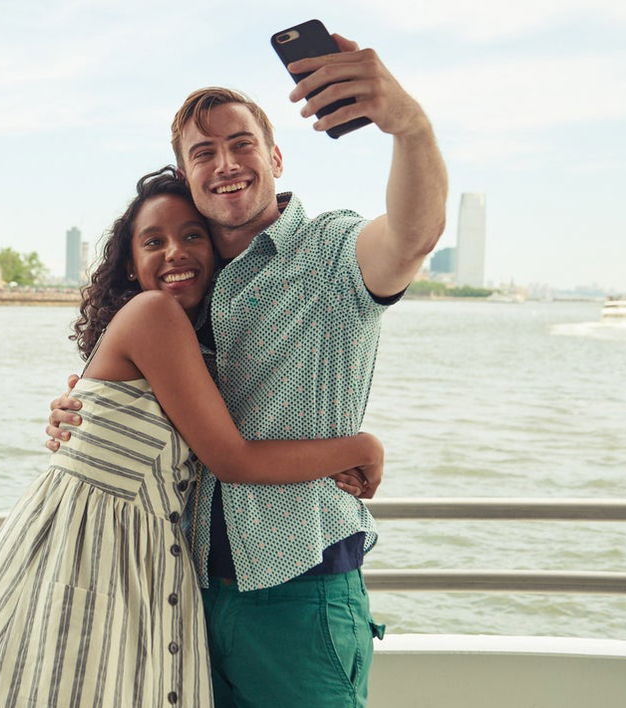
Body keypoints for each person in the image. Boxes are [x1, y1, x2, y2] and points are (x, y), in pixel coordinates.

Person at [46, 35, 447, 707]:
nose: (225, 164)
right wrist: (74, 413)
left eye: (241, 145)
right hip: (186, 596)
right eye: (203, 153)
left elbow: (412, 234)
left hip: (298, 591)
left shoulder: (329, 254)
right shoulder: (193, 295)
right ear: (187, 176)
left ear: (274, 157)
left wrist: (408, 125)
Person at [0, 167, 385, 708]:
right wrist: (362, 448)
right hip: (91, 551)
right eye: (154, 241)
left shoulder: (194, 341)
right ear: (130, 261)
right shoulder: (153, 314)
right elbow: (231, 458)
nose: (175, 253)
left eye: (192, 235)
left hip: (139, 557)